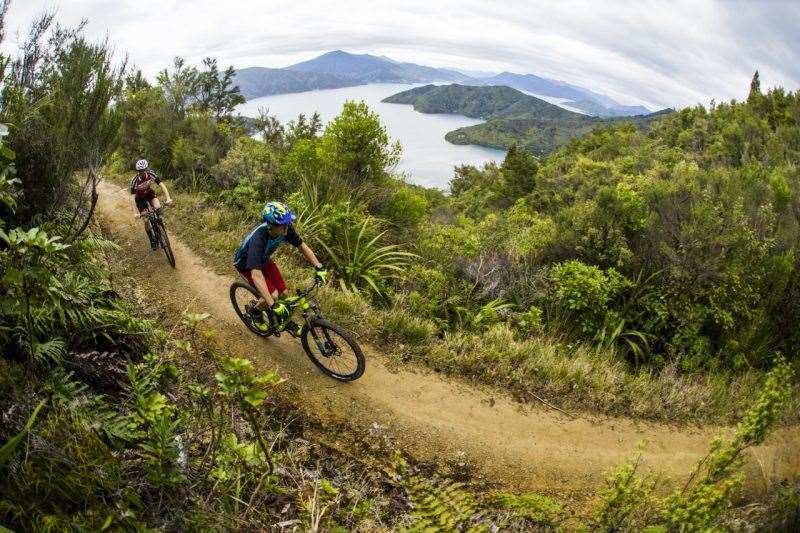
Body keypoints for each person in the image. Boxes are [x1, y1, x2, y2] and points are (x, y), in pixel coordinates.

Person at [233, 201, 328, 336]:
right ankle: (255, 312)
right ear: (271, 225)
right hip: (246, 265)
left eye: (287, 223)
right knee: (272, 296)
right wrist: (272, 304)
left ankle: (283, 320)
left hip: (264, 260)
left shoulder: (285, 229)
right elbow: (255, 275)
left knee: (284, 293)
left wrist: (319, 266)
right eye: (283, 224)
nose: (286, 227)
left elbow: (302, 246)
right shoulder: (259, 239)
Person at [130, 159, 173, 249]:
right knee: (145, 220)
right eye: (140, 171)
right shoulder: (134, 181)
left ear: (146, 169)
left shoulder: (151, 174)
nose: (142, 172)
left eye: (144, 170)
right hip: (140, 199)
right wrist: (136, 212)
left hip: (149, 193)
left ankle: (159, 225)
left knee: (158, 207)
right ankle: (152, 239)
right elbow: (132, 198)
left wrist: (168, 198)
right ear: (138, 171)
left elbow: (162, 185)